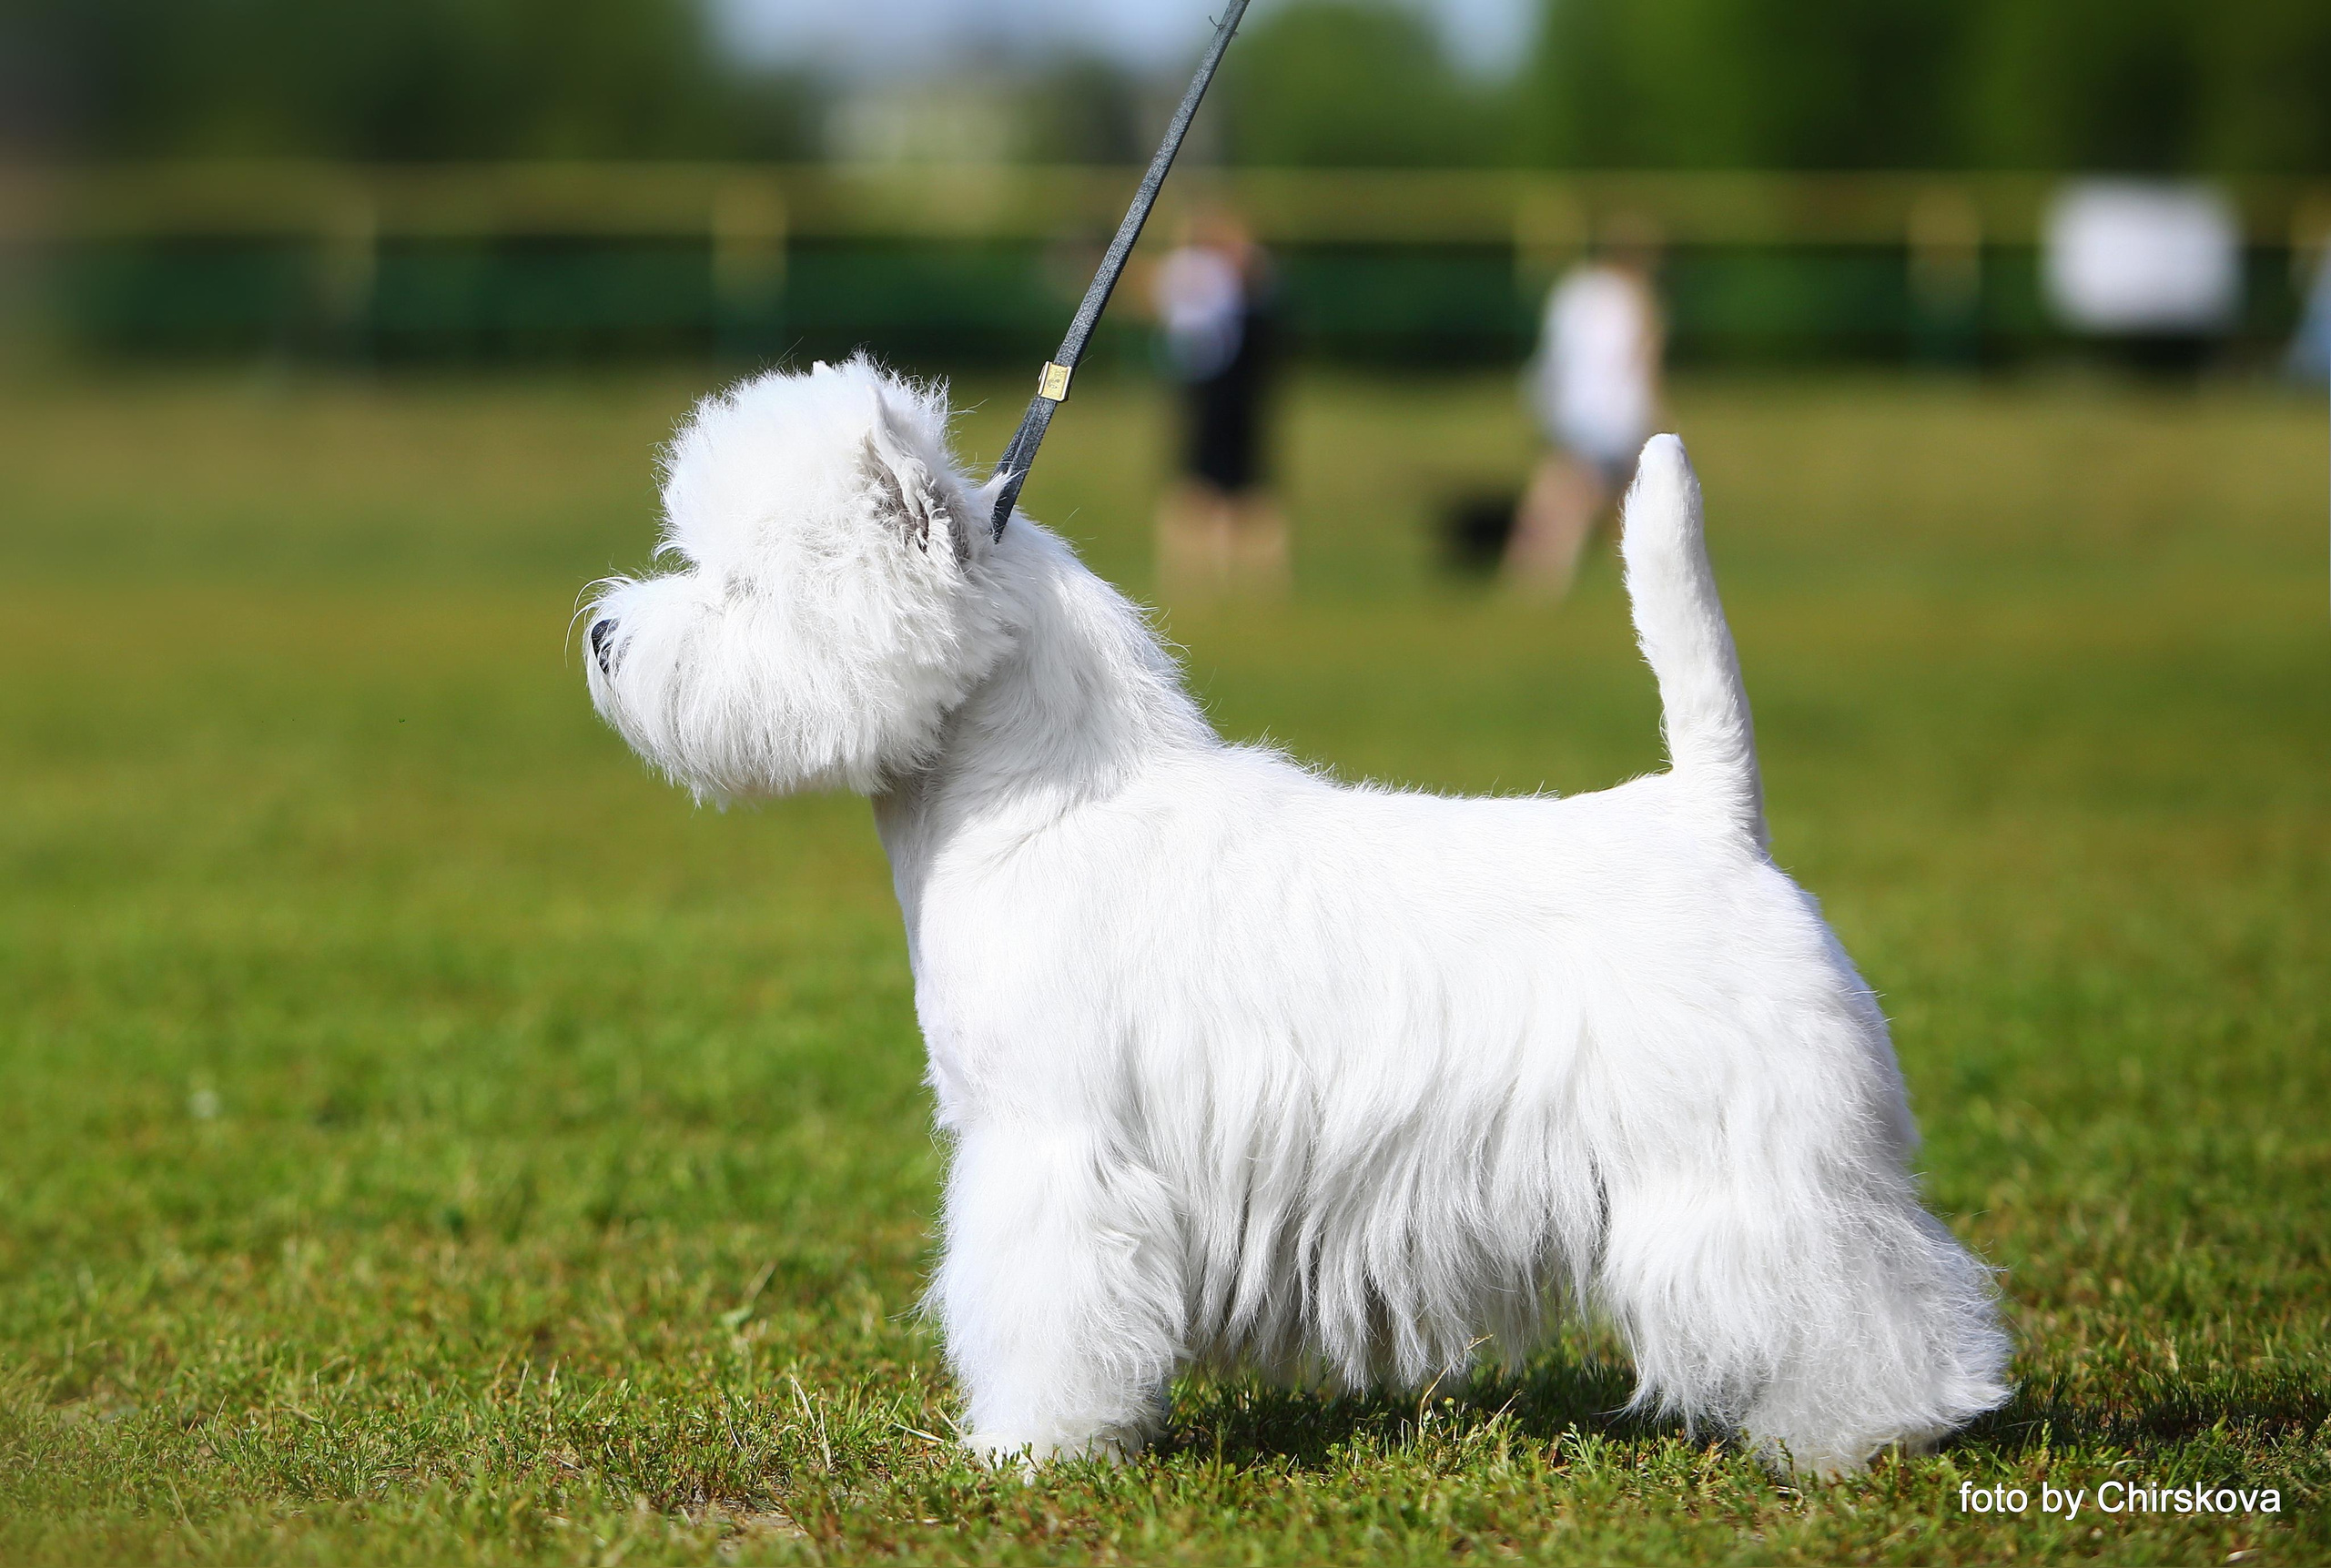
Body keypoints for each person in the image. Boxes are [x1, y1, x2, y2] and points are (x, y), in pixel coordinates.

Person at [1508, 229, 1666, 597]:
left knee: (1574, 496)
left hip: (1567, 409)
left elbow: (1555, 352)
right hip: (1614, 417)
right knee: (1585, 502)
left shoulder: (1574, 289)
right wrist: (1657, 416)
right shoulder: (1636, 298)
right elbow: (1641, 363)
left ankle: (1530, 579)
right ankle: (1538, 585)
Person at [1151, 207, 1286, 595]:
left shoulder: (1253, 289)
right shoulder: (1197, 280)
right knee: (1198, 485)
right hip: (1204, 394)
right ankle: (1194, 578)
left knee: (1247, 489)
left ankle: (1257, 582)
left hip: (1240, 398)